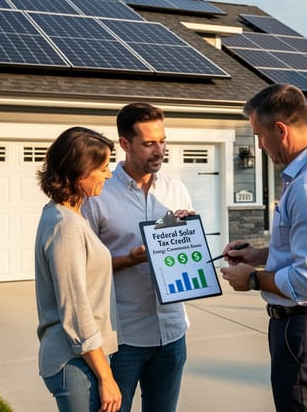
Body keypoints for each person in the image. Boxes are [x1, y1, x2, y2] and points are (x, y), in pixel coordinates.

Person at [220, 84, 307, 412]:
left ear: (281, 130)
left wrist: (252, 278)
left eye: (260, 134)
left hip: (306, 326)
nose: (259, 144)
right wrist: (258, 255)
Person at [81, 103, 194, 412]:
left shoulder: (175, 190)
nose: (159, 151)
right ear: (125, 144)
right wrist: (128, 260)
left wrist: (188, 236)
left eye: (162, 141)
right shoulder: (98, 194)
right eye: (148, 144)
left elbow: (185, 257)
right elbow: (83, 268)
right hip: (123, 337)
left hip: (172, 331)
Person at [34, 126, 122, 412]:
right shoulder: (65, 225)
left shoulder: (68, 215)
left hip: (83, 359)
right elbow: (75, 310)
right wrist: (106, 377)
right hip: (76, 362)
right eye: (103, 167)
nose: (109, 174)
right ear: (79, 171)